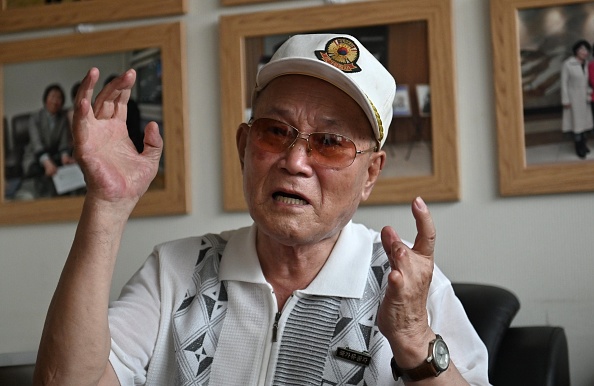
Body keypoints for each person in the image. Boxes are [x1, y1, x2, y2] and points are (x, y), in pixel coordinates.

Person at [33, 34, 490, 385]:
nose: (294, 161)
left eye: (330, 143)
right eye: (275, 131)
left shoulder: (407, 286)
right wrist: (107, 207)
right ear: (244, 147)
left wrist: (413, 340)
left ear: (370, 173)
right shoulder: (174, 272)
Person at [22, 83, 75, 198]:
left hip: (54, 156)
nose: (55, 101)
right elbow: (36, 144)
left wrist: (65, 156)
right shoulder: (35, 117)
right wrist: (46, 162)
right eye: (52, 97)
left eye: (59, 98)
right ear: (46, 99)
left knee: (68, 171)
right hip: (35, 156)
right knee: (40, 174)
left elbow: (63, 142)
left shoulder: (62, 118)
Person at [561, 39, 593, 159]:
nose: (584, 52)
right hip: (573, 98)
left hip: (584, 99)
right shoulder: (568, 64)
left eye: (586, 50)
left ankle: (584, 145)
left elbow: (587, 83)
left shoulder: (586, 64)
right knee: (576, 124)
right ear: (576, 50)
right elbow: (564, 83)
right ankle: (578, 147)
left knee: (584, 124)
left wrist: (589, 93)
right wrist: (565, 100)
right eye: (582, 49)